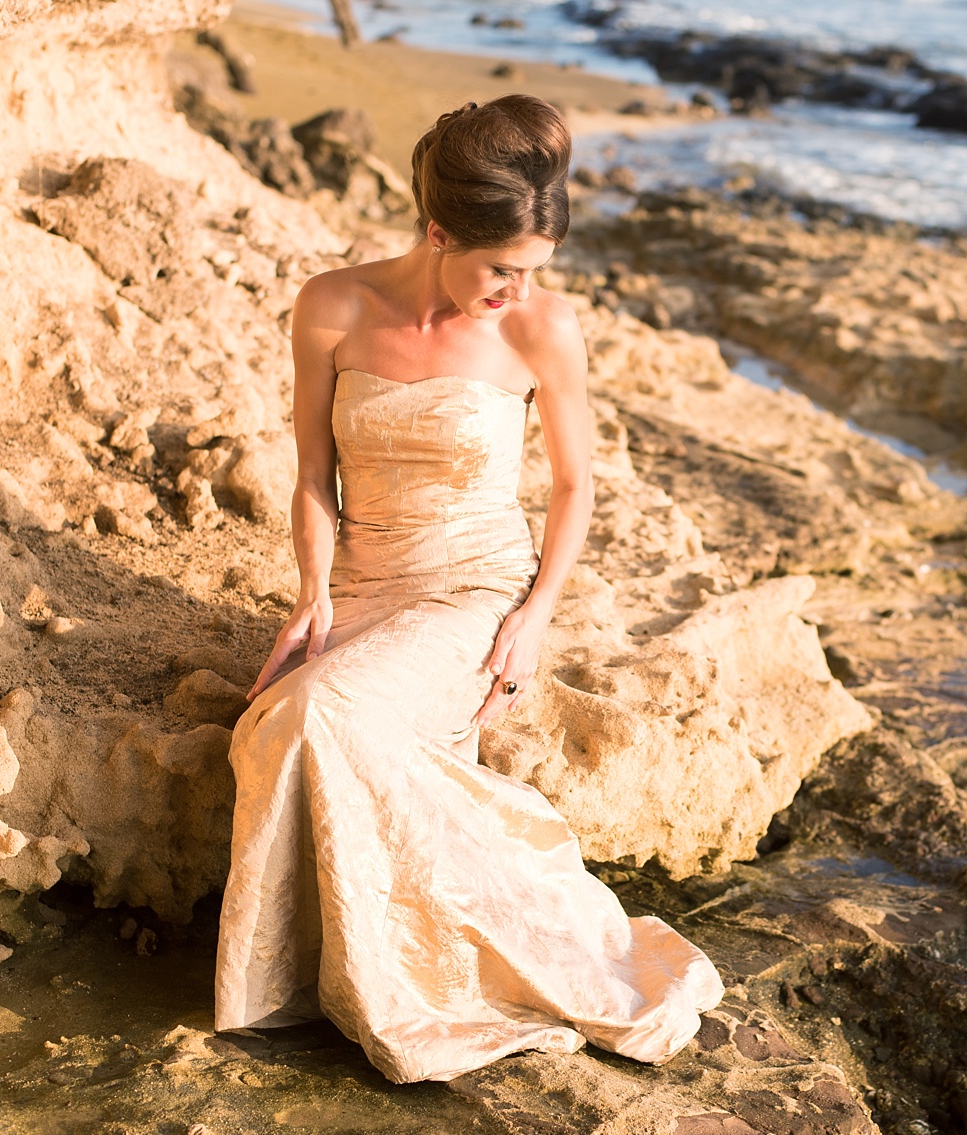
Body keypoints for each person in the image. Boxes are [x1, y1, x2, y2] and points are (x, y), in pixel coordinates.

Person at [212, 95, 724, 1085]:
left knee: (319, 713)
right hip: (362, 580)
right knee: (270, 725)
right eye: (499, 268)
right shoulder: (332, 304)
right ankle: (286, 987)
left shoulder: (541, 326)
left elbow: (575, 486)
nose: (514, 291)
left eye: (533, 271)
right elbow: (312, 475)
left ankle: (434, 980)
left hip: (477, 589)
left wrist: (533, 617)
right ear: (437, 231)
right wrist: (312, 591)